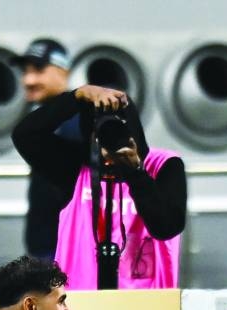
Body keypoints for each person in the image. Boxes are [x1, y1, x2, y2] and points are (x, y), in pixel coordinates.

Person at [12, 83, 187, 290]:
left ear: (133, 133)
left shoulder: (163, 165)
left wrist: (135, 172)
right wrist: (75, 97)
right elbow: (25, 135)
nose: (108, 153)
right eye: (101, 140)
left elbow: (166, 227)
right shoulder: (75, 168)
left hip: (148, 303)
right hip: (81, 304)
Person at [9, 38, 75, 261]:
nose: (28, 79)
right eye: (25, 71)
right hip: (45, 249)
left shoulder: (75, 122)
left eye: (38, 70)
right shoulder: (48, 120)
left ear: (63, 71)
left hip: (65, 251)